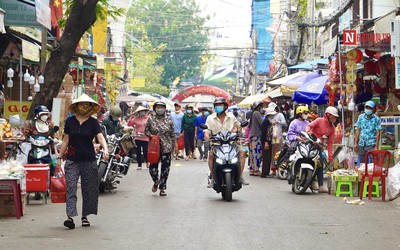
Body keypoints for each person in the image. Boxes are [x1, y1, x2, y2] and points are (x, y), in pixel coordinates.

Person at [58, 94, 109, 229]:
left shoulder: (93, 122)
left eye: (87, 104)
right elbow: (65, 140)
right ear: (76, 106)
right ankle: (70, 217)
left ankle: (85, 216)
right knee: (71, 188)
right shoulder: (70, 122)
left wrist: (105, 149)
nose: (84, 107)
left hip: (88, 160)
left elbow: (100, 137)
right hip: (72, 160)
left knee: (89, 189)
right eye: (82, 104)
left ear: (91, 107)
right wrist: (59, 157)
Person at [204, 97, 249, 187]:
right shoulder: (210, 118)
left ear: (225, 106)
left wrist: (237, 130)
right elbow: (207, 130)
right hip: (216, 144)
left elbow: (239, 127)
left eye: (220, 105)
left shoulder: (231, 117)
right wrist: (206, 135)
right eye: (216, 106)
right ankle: (213, 178)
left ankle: (240, 176)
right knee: (211, 156)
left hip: (232, 143)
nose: (218, 107)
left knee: (242, 153)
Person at [145, 101, 175, 196]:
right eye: (158, 107)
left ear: (165, 108)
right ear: (155, 108)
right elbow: (146, 131)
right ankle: (156, 180)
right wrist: (152, 136)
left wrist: (174, 148)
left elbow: (172, 134)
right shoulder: (150, 119)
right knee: (152, 168)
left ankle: (162, 188)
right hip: (154, 148)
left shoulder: (169, 120)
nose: (160, 109)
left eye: (162, 107)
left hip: (166, 147)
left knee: (165, 169)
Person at [305, 106, 339, 193]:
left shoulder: (332, 128)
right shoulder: (319, 120)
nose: (334, 119)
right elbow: (309, 126)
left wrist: (330, 156)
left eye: (335, 117)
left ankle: (320, 186)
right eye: (333, 117)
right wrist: (308, 132)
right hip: (309, 143)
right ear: (328, 116)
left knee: (320, 164)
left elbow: (330, 143)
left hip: (318, 147)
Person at [127, 106, 149, 170]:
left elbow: (151, 126)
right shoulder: (136, 118)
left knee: (145, 151)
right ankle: (139, 165)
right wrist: (132, 116)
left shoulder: (148, 118)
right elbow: (129, 124)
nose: (142, 113)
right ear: (138, 112)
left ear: (145, 112)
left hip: (145, 137)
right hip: (137, 137)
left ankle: (147, 162)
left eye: (143, 111)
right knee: (138, 151)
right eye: (140, 111)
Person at [268, 102, 287, 175]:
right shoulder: (269, 116)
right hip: (271, 137)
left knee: (278, 152)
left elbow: (284, 122)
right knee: (273, 153)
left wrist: (277, 122)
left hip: (278, 136)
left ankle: (279, 167)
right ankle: (273, 169)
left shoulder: (280, 115)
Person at [249, 101, 264, 176]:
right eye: (261, 106)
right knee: (257, 154)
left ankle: (252, 169)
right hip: (257, 136)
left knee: (252, 154)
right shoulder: (257, 113)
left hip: (252, 136)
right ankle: (256, 170)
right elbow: (261, 123)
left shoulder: (253, 113)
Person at [260, 108, 274, 178]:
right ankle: (264, 173)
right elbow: (264, 133)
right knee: (266, 158)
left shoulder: (269, 121)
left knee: (268, 157)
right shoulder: (265, 122)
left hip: (269, 141)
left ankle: (266, 172)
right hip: (266, 141)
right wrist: (265, 142)